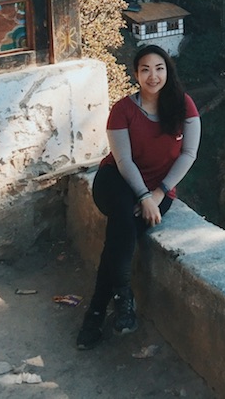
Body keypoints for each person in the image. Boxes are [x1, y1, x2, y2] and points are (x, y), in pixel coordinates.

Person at [76, 45, 201, 350]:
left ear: (168, 71)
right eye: (145, 69)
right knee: (122, 218)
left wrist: (158, 193)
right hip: (116, 182)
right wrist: (144, 196)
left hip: (161, 188)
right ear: (136, 74)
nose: (153, 75)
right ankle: (122, 296)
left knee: (120, 236)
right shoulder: (123, 110)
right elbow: (123, 162)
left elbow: (189, 154)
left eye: (159, 68)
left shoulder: (183, 106)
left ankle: (96, 313)